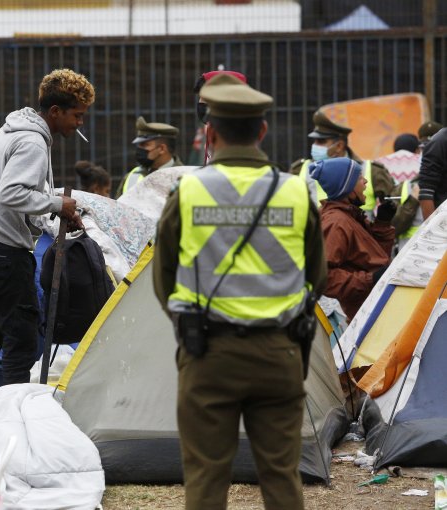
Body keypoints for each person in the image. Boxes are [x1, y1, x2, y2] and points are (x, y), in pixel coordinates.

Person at [153, 73, 326, 510]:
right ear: (263, 130)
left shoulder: (188, 190)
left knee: (207, 477)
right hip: (281, 353)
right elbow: (317, 277)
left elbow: (163, 276)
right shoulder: (296, 192)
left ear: (209, 132)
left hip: (207, 353)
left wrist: (188, 325)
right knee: (282, 476)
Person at [0, 68, 91, 430]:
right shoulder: (31, 141)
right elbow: (12, 193)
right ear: (56, 111)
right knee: (21, 339)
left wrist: (54, 215)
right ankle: (10, 425)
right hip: (3, 254)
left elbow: (20, 194)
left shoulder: (12, 130)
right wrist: (59, 205)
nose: (79, 123)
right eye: (77, 115)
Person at [309, 157, 395, 321]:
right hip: (366, 315)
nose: (365, 181)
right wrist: (370, 279)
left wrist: (382, 224)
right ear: (346, 186)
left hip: (375, 307)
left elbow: (373, 256)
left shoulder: (349, 215)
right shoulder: (336, 223)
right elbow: (323, 277)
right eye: (359, 178)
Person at [290, 110, 397, 217]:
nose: (315, 145)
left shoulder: (372, 171)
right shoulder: (299, 169)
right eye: (315, 141)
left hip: (357, 232)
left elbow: (394, 209)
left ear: (339, 146)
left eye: (321, 141)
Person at [116, 118, 182, 197]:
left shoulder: (184, 177)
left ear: (162, 149)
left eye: (145, 145)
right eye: (139, 145)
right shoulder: (131, 176)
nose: (139, 149)